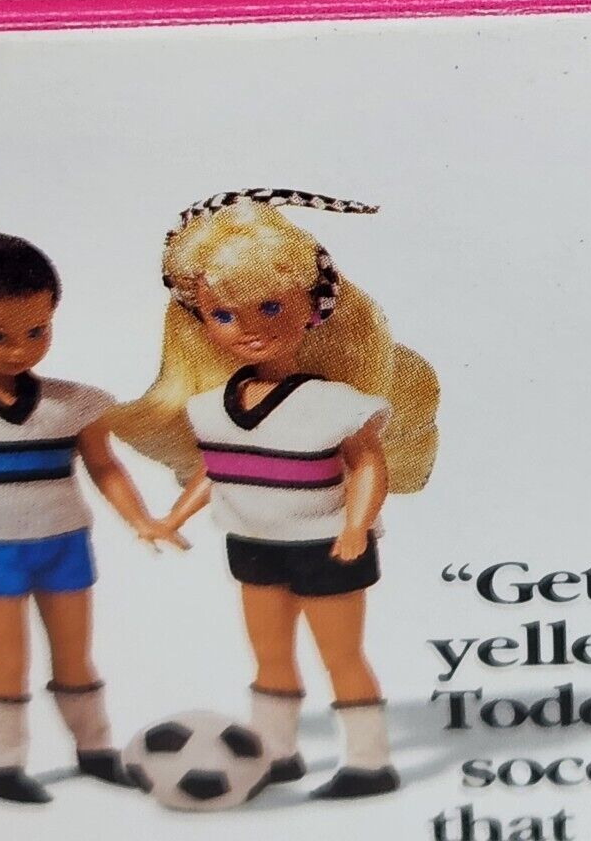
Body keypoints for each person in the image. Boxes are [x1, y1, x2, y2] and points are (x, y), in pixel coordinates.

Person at [113, 191, 439, 800]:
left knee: (340, 656)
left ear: (313, 308)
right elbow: (219, 471)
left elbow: (368, 464)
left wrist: (356, 525)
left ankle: (369, 761)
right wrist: (171, 517)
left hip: (326, 545)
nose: (250, 328)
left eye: (270, 306)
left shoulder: (336, 404)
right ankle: (277, 750)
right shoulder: (209, 408)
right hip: (253, 542)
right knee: (269, 656)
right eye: (225, 315)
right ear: (200, 321)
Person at [0, 231, 180, 804]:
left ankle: (94, 748)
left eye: (38, 330)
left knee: (75, 654)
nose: (20, 350)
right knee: (7, 659)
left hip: (63, 542)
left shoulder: (75, 403)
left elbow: (105, 467)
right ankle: (2, 762)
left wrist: (142, 519)